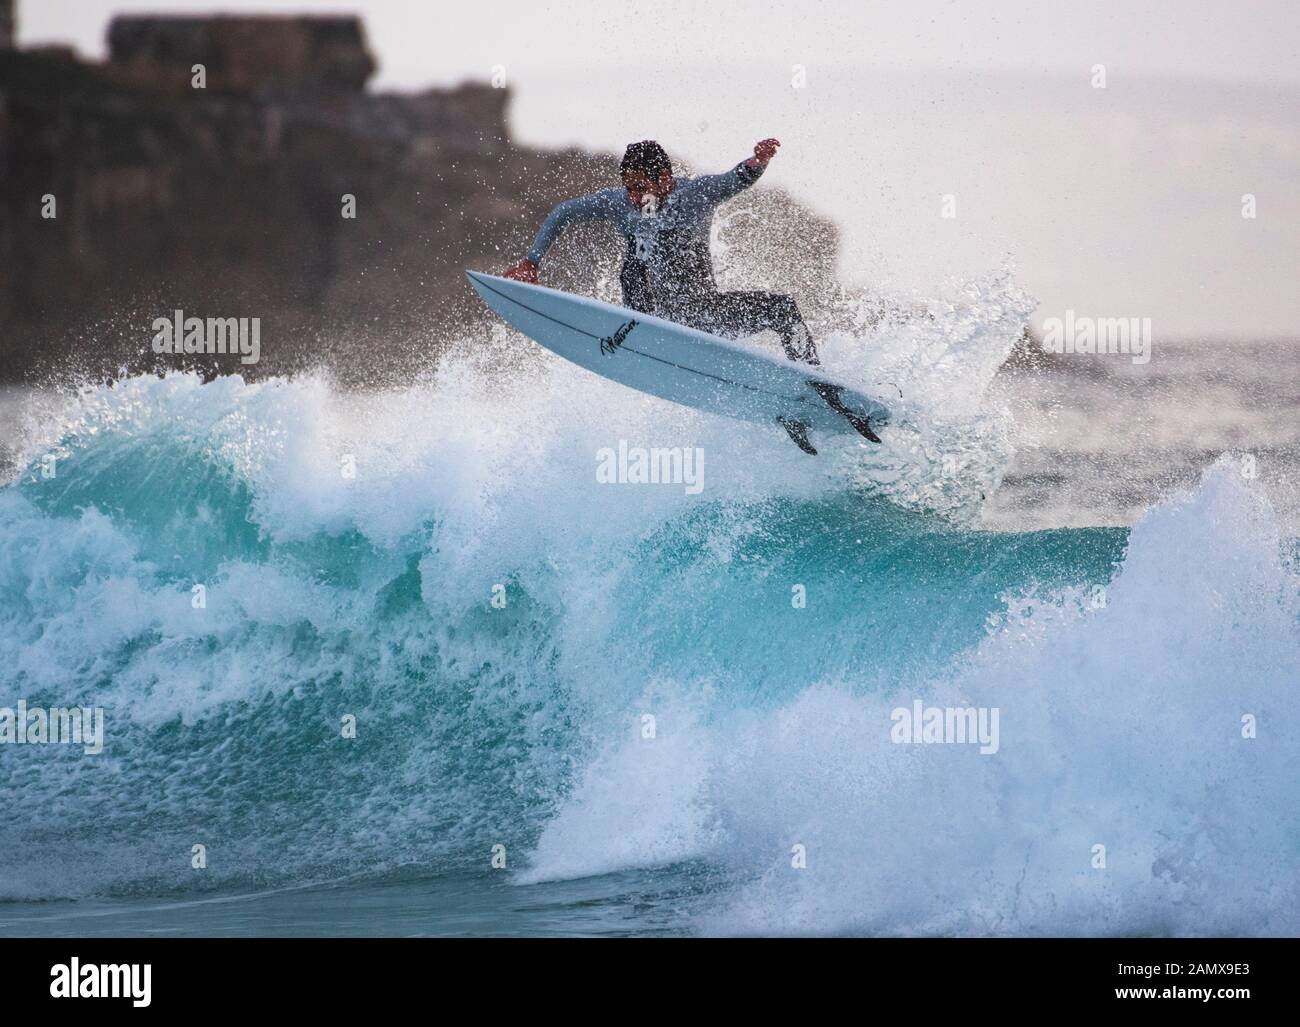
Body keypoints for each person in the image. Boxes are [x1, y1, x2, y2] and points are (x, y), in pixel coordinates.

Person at [502, 139, 879, 450]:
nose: (634, 196)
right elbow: (563, 212)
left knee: (781, 308)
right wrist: (532, 261)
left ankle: (813, 384)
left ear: (665, 177)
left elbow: (734, 180)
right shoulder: (618, 203)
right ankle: (638, 324)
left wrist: (757, 162)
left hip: (703, 315)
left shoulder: (696, 194)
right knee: (636, 249)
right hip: (649, 315)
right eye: (629, 187)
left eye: (641, 187)